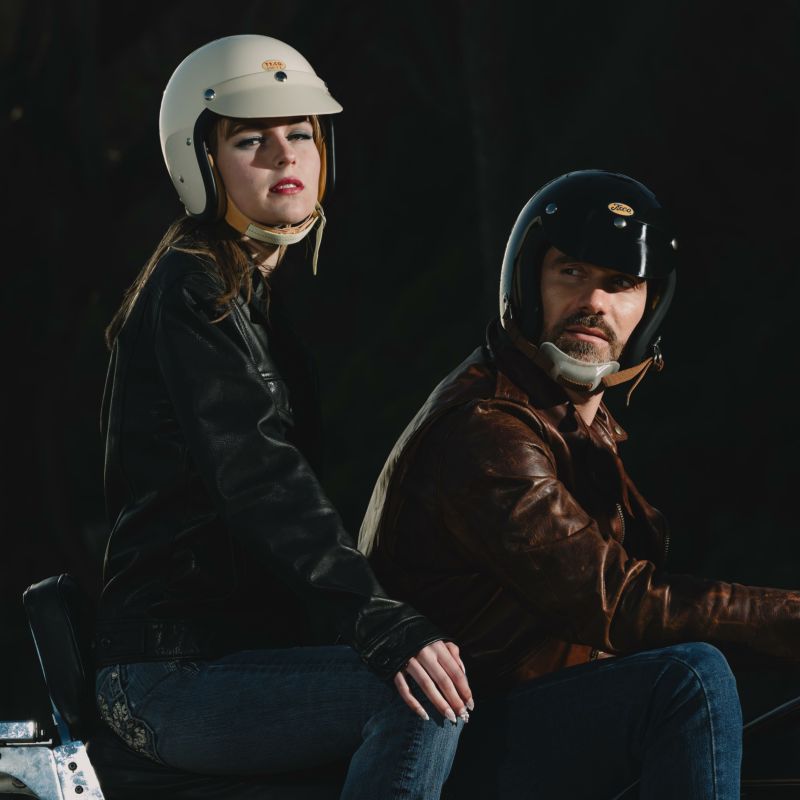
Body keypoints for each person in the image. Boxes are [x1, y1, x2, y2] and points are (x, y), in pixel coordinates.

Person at [93, 33, 472, 799]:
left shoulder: (247, 297)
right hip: (171, 669)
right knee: (417, 699)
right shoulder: (191, 290)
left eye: (300, 132)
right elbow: (259, 475)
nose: (284, 155)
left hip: (233, 655)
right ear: (200, 161)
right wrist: (379, 620)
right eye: (250, 139)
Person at [358, 169, 800, 799]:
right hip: (458, 734)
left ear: (649, 307)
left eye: (621, 284)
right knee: (689, 679)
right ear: (527, 282)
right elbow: (611, 601)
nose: (595, 301)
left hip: (529, 713)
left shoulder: (574, 425)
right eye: (572, 272)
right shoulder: (487, 427)